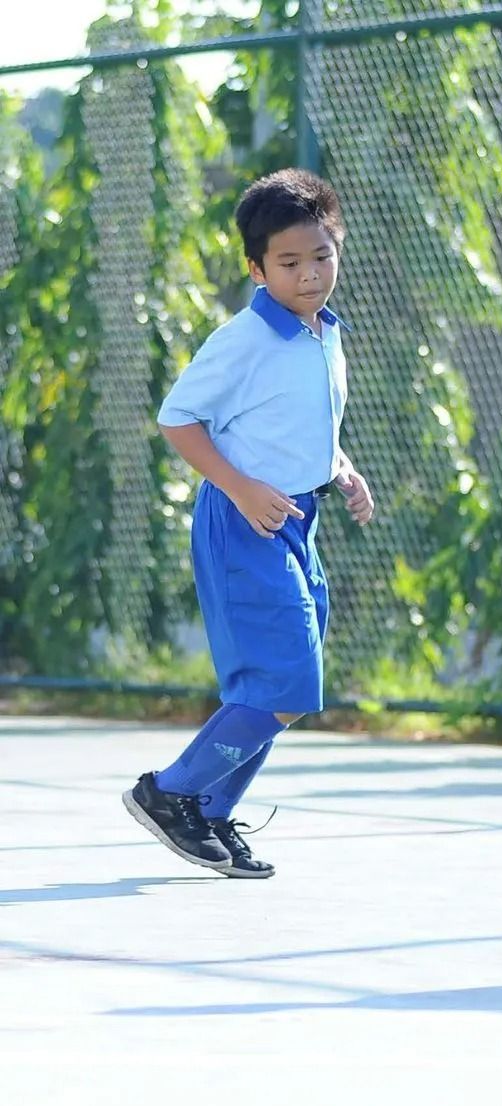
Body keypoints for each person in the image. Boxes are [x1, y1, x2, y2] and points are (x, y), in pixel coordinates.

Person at [124, 169, 374, 878]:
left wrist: (341, 468)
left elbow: (296, 423)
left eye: (321, 257)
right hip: (245, 524)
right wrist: (239, 487)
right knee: (288, 682)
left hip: (299, 520)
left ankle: (205, 809)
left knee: (285, 690)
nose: (308, 275)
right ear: (257, 267)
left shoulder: (324, 333)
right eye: (289, 263)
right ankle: (169, 792)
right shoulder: (244, 339)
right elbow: (178, 418)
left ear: (338, 247)